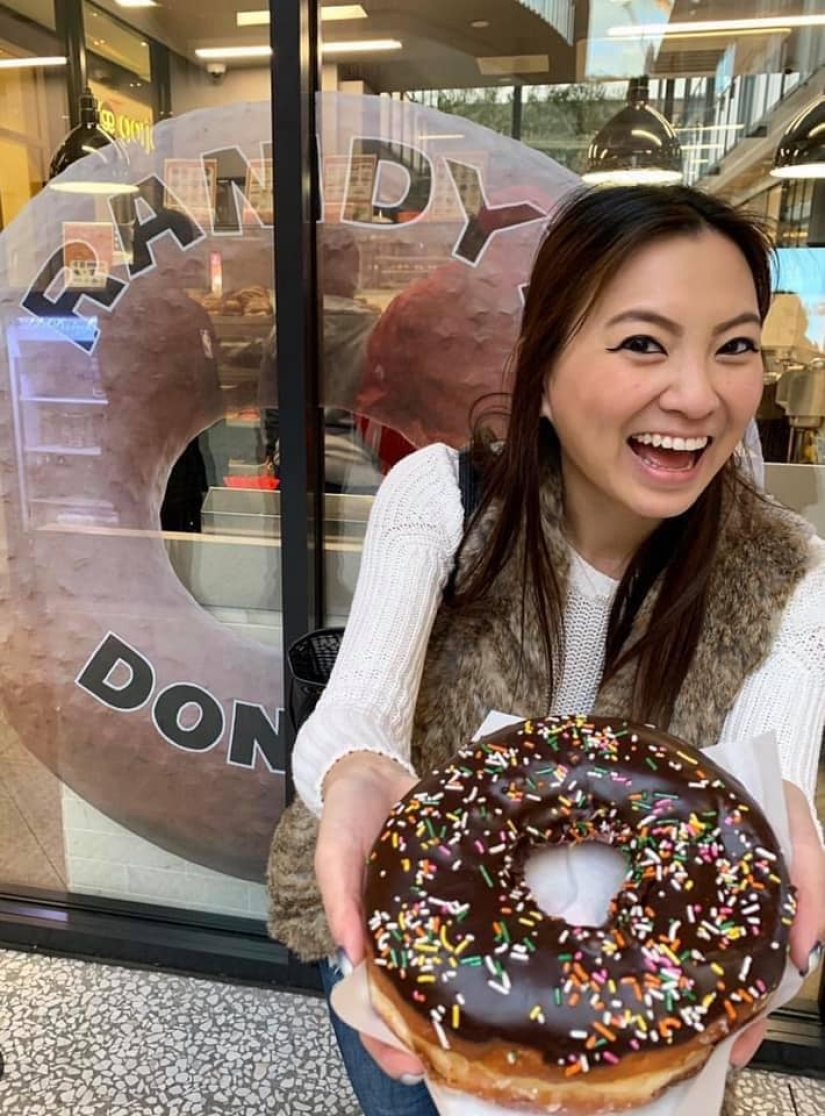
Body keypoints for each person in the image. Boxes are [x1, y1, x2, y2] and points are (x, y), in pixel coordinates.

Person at [268, 185, 825, 1116]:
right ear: (546, 360)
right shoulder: (442, 499)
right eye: (642, 342)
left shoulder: (792, 571)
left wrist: (791, 812)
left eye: (733, 346)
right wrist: (361, 770)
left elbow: (771, 777)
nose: (696, 395)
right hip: (411, 942)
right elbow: (358, 713)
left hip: (642, 990)